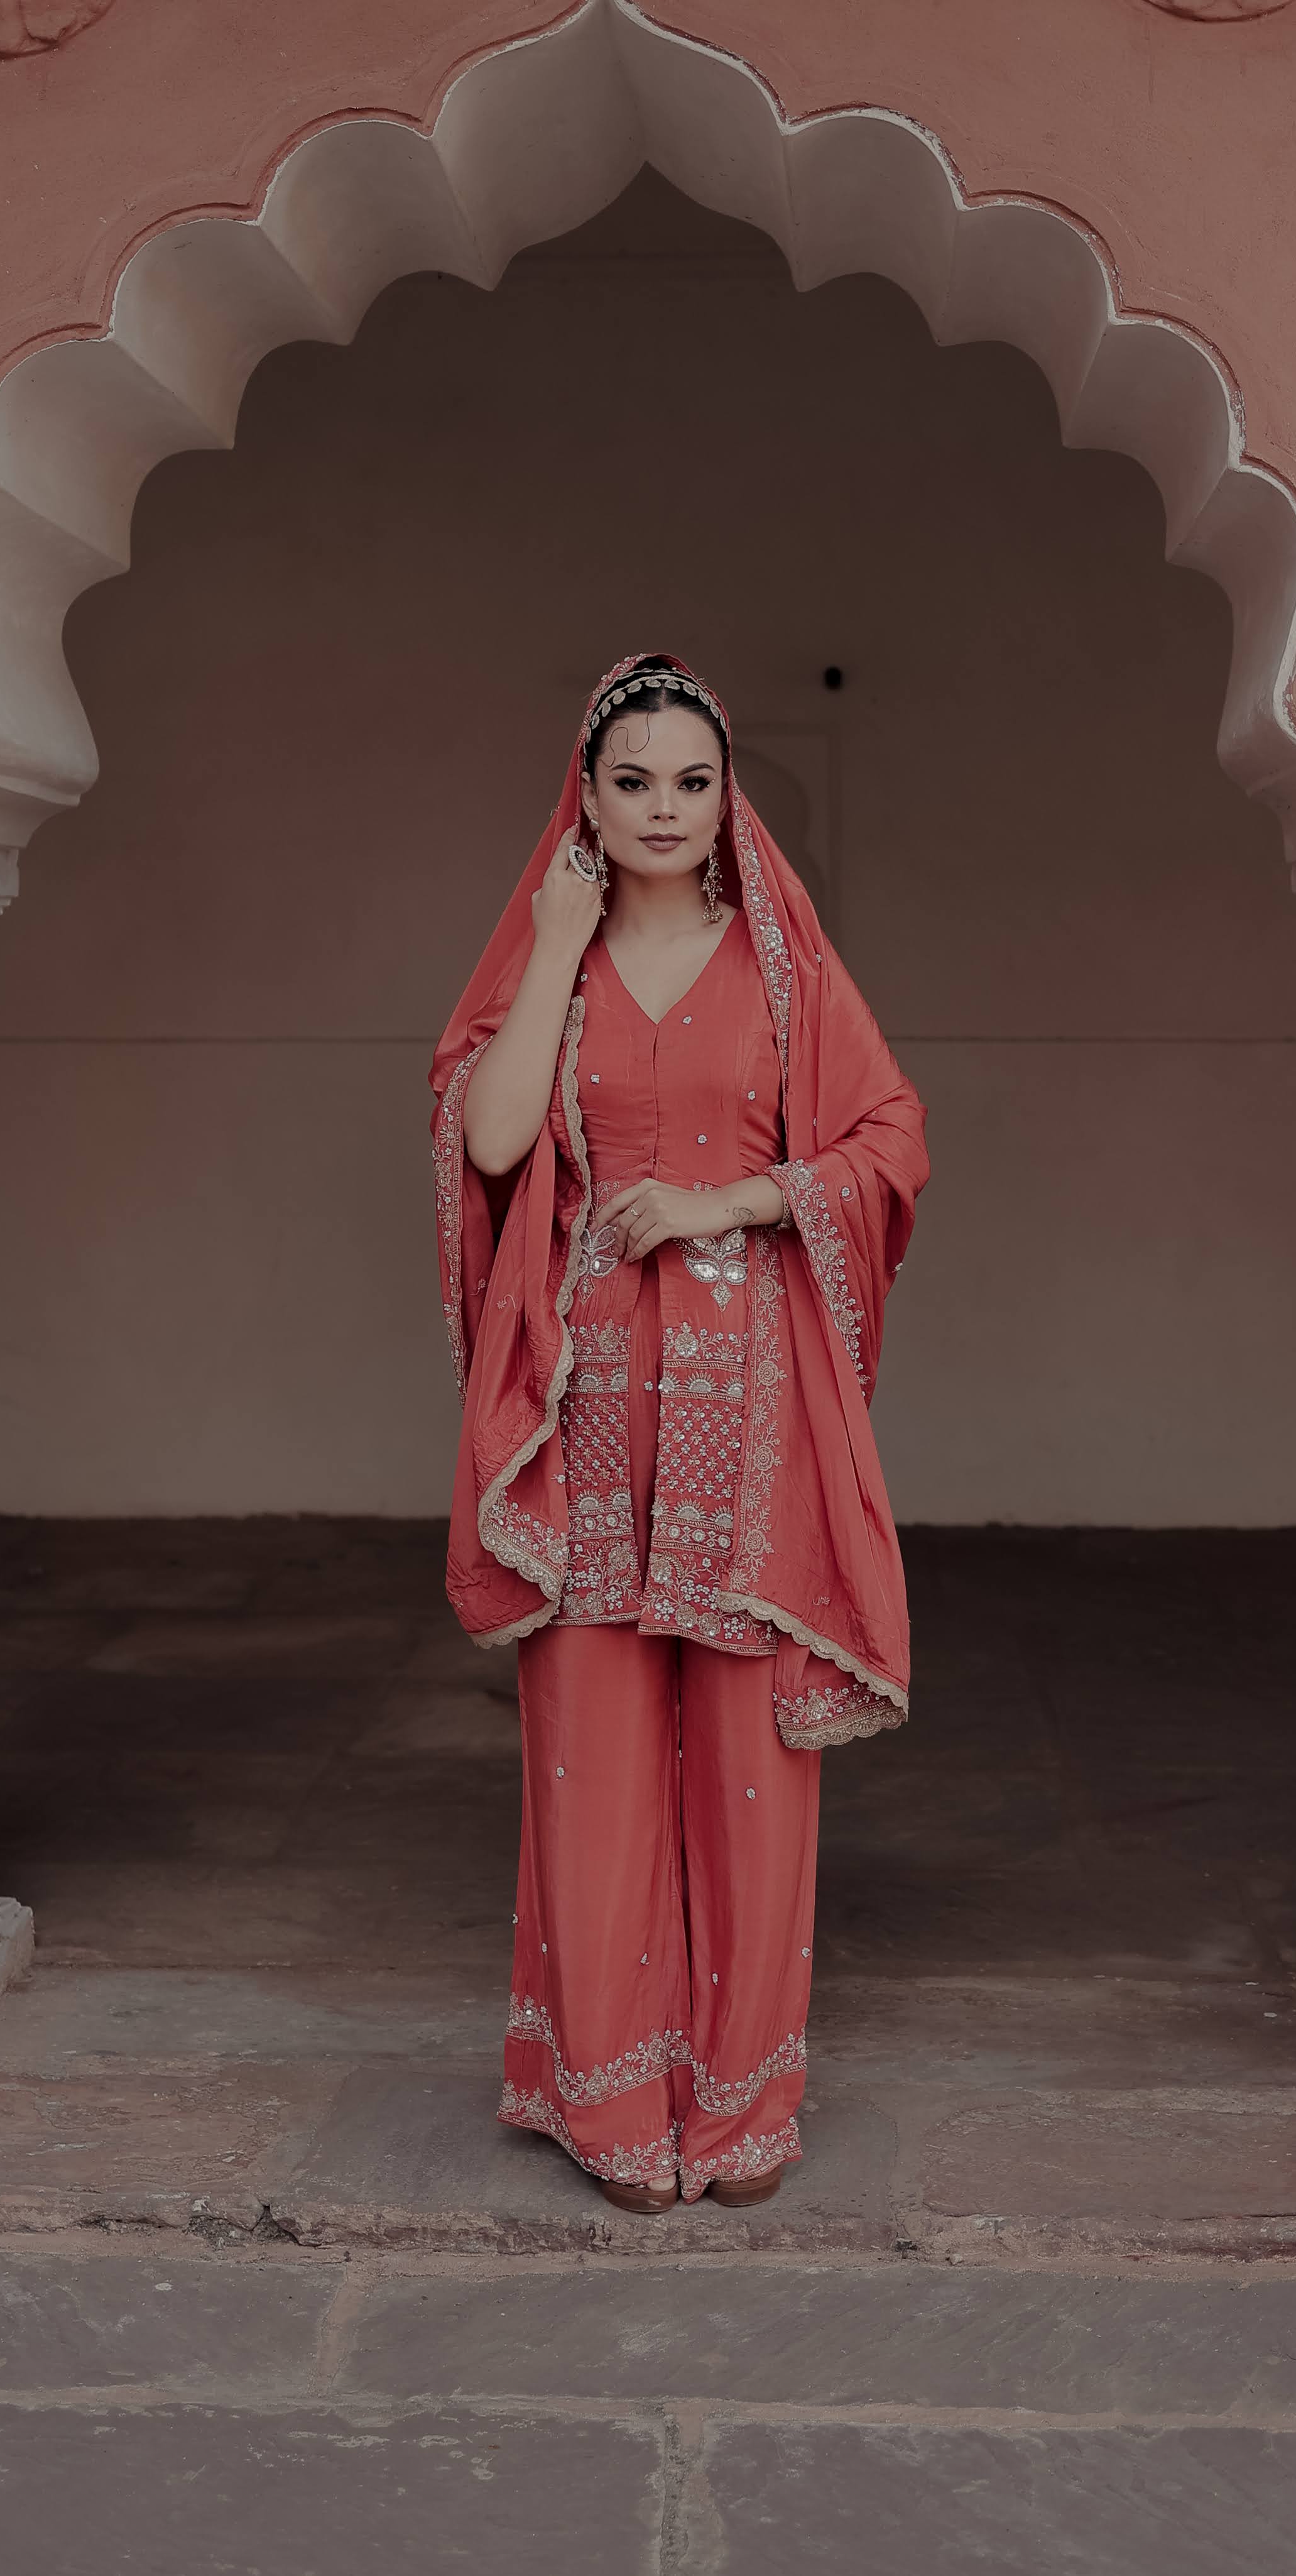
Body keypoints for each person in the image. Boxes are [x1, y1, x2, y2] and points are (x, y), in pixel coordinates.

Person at [431, 656, 928, 2211]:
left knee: (745, 1745)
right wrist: (554, 939)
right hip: (579, 1397)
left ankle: (735, 2109)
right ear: (583, 795)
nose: (663, 806)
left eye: (692, 780)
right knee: (588, 1740)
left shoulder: (781, 966)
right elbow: (494, 1139)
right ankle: (609, 2104)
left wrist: (728, 1197)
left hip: (748, 1390)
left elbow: (888, 1136)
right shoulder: (552, 961)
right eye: (632, 778)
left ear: (729, 799)